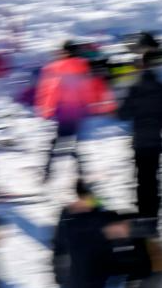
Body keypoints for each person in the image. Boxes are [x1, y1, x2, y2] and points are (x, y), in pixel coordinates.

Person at [35, 40, 114, 183]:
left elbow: (50, 90)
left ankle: (48, 174)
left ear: (65, 52)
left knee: (58, 142)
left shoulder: (56, 67)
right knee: (73, 142)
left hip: (63, 111)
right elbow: (96, 86)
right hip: (79, 111)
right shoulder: (85, 67)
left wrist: (46, 109)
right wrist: (100, 106)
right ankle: (80, 172)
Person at [117, 50, 162, 233]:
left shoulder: (135, 86)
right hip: (156, 140)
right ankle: (156, 219)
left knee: (141, 180)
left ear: (142, 65)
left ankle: (143, 218)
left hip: (140, 140)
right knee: (154, 179)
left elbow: (123, 114)